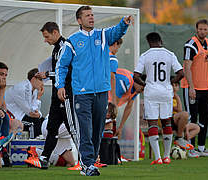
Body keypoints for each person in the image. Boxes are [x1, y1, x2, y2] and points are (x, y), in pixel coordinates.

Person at [56, 6, 132, 176]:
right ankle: (87, 164)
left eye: (92, 15)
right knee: (86, 130)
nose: (91, 18)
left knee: (98, 130)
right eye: (87, 15)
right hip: (82, 93)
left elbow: (117, 32)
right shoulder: (72, 41)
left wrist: (124, 23)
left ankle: (91, 161)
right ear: (79, 20)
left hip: (102, 92)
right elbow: (62, 65)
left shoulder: (103, 35)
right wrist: (60, 85)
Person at [134, 32, 189, 165]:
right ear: (161, 41)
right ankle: (166, 157)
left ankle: (157, 158)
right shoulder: (169, 54)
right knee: (166, 122)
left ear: (149, 42)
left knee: (152, 123)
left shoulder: (145, 55)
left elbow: (135, 75)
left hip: (151, 92)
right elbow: (181, 73)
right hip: (166, 92)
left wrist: (145, 84)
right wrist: (171, 83)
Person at [30, 21, 75, 170]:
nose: (45, 40)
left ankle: (87, 160)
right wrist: (48, 75)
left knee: (72, 127)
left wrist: (47, 74)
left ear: (55, 32)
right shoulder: (56, 48)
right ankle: (44, 158)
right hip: (57, 93)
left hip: (65, 92)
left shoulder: (65, 46)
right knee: (52, 127)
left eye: (47, 36)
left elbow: (69, 71)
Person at [180, 19, 208, 157]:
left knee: (205, 117)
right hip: (191, 88)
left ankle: (201, 147)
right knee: (192, 118)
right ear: (196, 29)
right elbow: (187, 67)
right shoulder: (191, 45)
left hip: (204, 88)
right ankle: (190, 148)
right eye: (200, 29)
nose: (202, 31)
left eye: (205, 29)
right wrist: (191, 87)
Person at [5, 68, 44, 138]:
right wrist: (38, 98)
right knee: (34, 122)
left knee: (43, 121)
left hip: (22, 115)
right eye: (40, 80)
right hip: (12, 116)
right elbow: (30, 112)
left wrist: (39, 115)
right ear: (33, 79)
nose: (42, 83)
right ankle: (34, 145)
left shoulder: (34, 90)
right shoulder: (22, 88)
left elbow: (35, 111)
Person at [171, 80, 200, 158]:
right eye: (172, 85)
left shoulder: (176, 97)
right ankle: (179, 138)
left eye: (176, 85)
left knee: (196, 128)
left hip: (179, 122)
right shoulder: (167, 96)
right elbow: (177, 111)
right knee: (185, 114)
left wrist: (177, 97)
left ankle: (181, 143)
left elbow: (179, 110)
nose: (174, 87)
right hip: (169, 120)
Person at [108, 38, 123, 107]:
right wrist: (114, 99)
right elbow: (112, 77)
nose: (117, 51)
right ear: (115, 44)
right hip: (104, 93)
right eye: (118, 47)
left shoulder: (99, 55)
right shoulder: (112, 58)